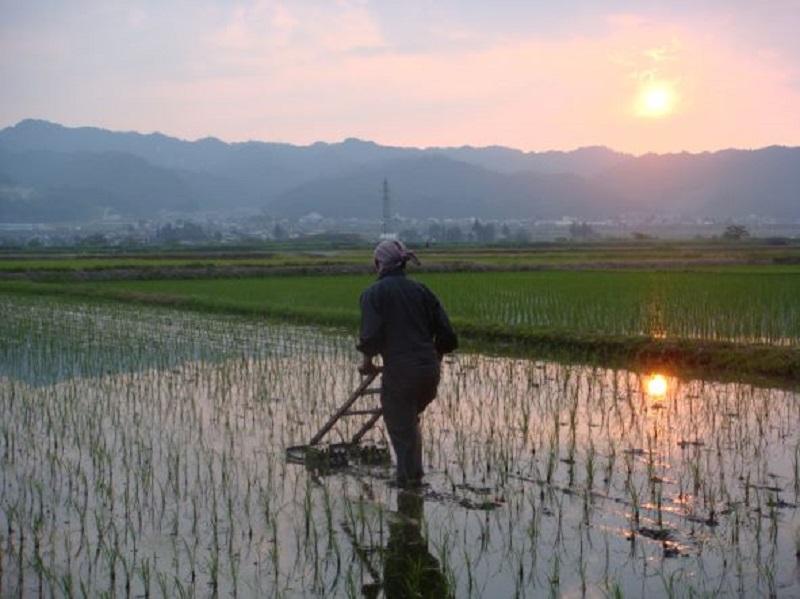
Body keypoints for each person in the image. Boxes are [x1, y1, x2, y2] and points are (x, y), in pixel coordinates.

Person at [357, 239, 457, 487]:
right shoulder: (422, 291)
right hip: (428, 376)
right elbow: (447, 335)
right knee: (410, 426)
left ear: (378, 264)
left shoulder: (373, 294)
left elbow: (370, 338)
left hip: (401, 374)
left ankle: (408, 494)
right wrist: (433, 359)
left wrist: (367, 362)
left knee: (402, 433)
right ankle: (415, 477)